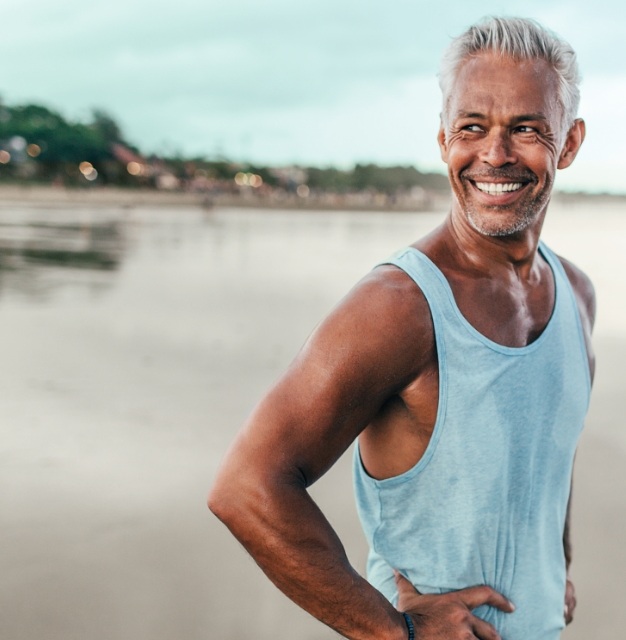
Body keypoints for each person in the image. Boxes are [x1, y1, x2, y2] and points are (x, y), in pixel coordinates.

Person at [209, 16, 594, 640]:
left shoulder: (576, 295)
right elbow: (247, 487)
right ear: (444, 139)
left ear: (569, 144)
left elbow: (551, 454)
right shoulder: (400, 307)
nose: (494, 155)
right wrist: (392, 631)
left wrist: (556, 565)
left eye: (526, 129)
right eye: (473, 127)